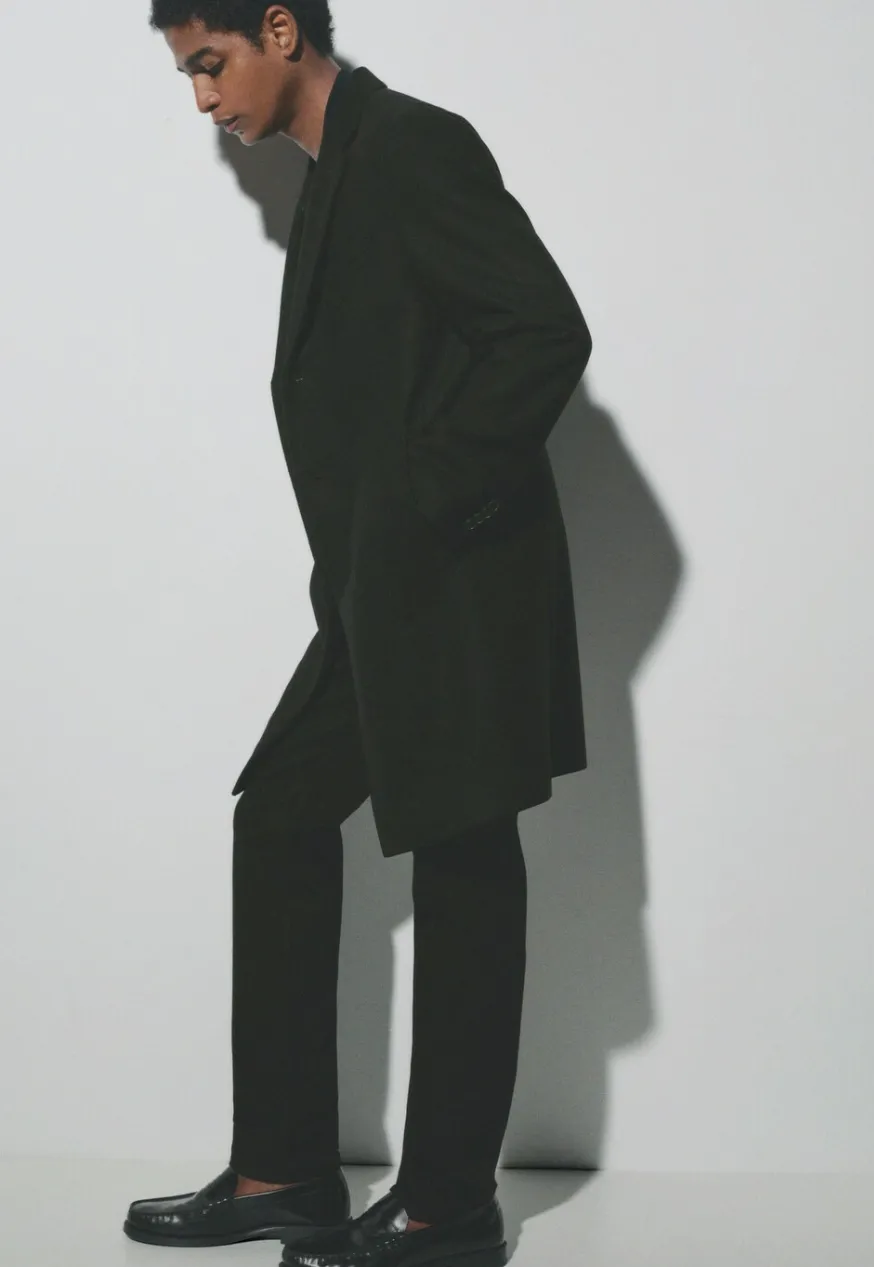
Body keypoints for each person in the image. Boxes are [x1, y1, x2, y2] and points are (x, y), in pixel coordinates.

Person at [125, 4, 592, 1265]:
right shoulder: (338, 175)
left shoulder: (414, 146)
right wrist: (367, 556)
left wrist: (424, 501)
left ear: (280, 30)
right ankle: (284, 1170)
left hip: (458, 583)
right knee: (281, 810)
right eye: (187, 76)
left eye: (210, 64)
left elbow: (543, 329)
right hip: (381, 594)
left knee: (462, 858)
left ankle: (447, 1206)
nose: (202, 100)